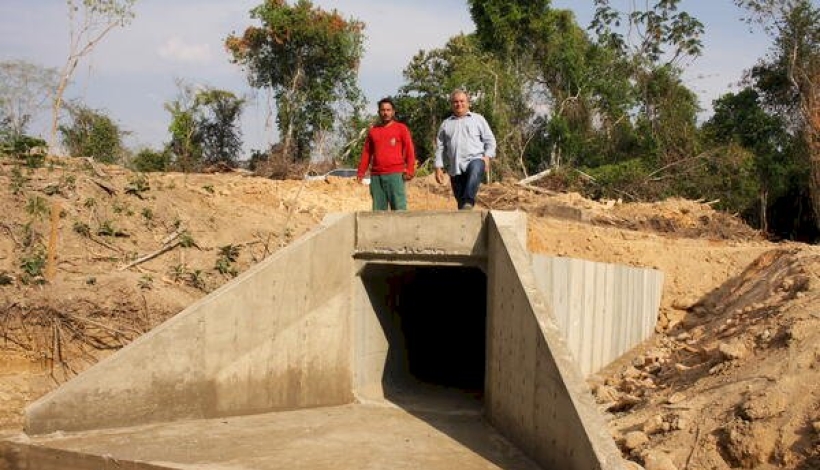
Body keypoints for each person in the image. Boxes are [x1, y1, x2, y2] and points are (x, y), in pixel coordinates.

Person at [434, 89, 496, 210]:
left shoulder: (478, 120)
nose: (459, 104)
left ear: (468, 103)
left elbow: (490, 140)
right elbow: (440, 147)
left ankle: (469, 200)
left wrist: (487, 157)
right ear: (452, 104)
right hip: (455, 167)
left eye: (462, 101)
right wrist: (438, 167)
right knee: (462, 205)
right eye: (455, 102)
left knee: (475, 170)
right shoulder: (446, 124)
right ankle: (465, 211)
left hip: (476, 159)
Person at [357, 97, 417, 211]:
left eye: (388, 110)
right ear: (379, 112)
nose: (386, 113)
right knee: (378, 212)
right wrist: (361, 172)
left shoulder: (401, 129)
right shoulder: (373, 131)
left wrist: (410, 170)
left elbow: (409, 151)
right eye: (383, 110)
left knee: (399, 210)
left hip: (396, 175)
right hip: (376, 177)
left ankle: (401, 229)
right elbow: (366, 153)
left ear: (393, 112)